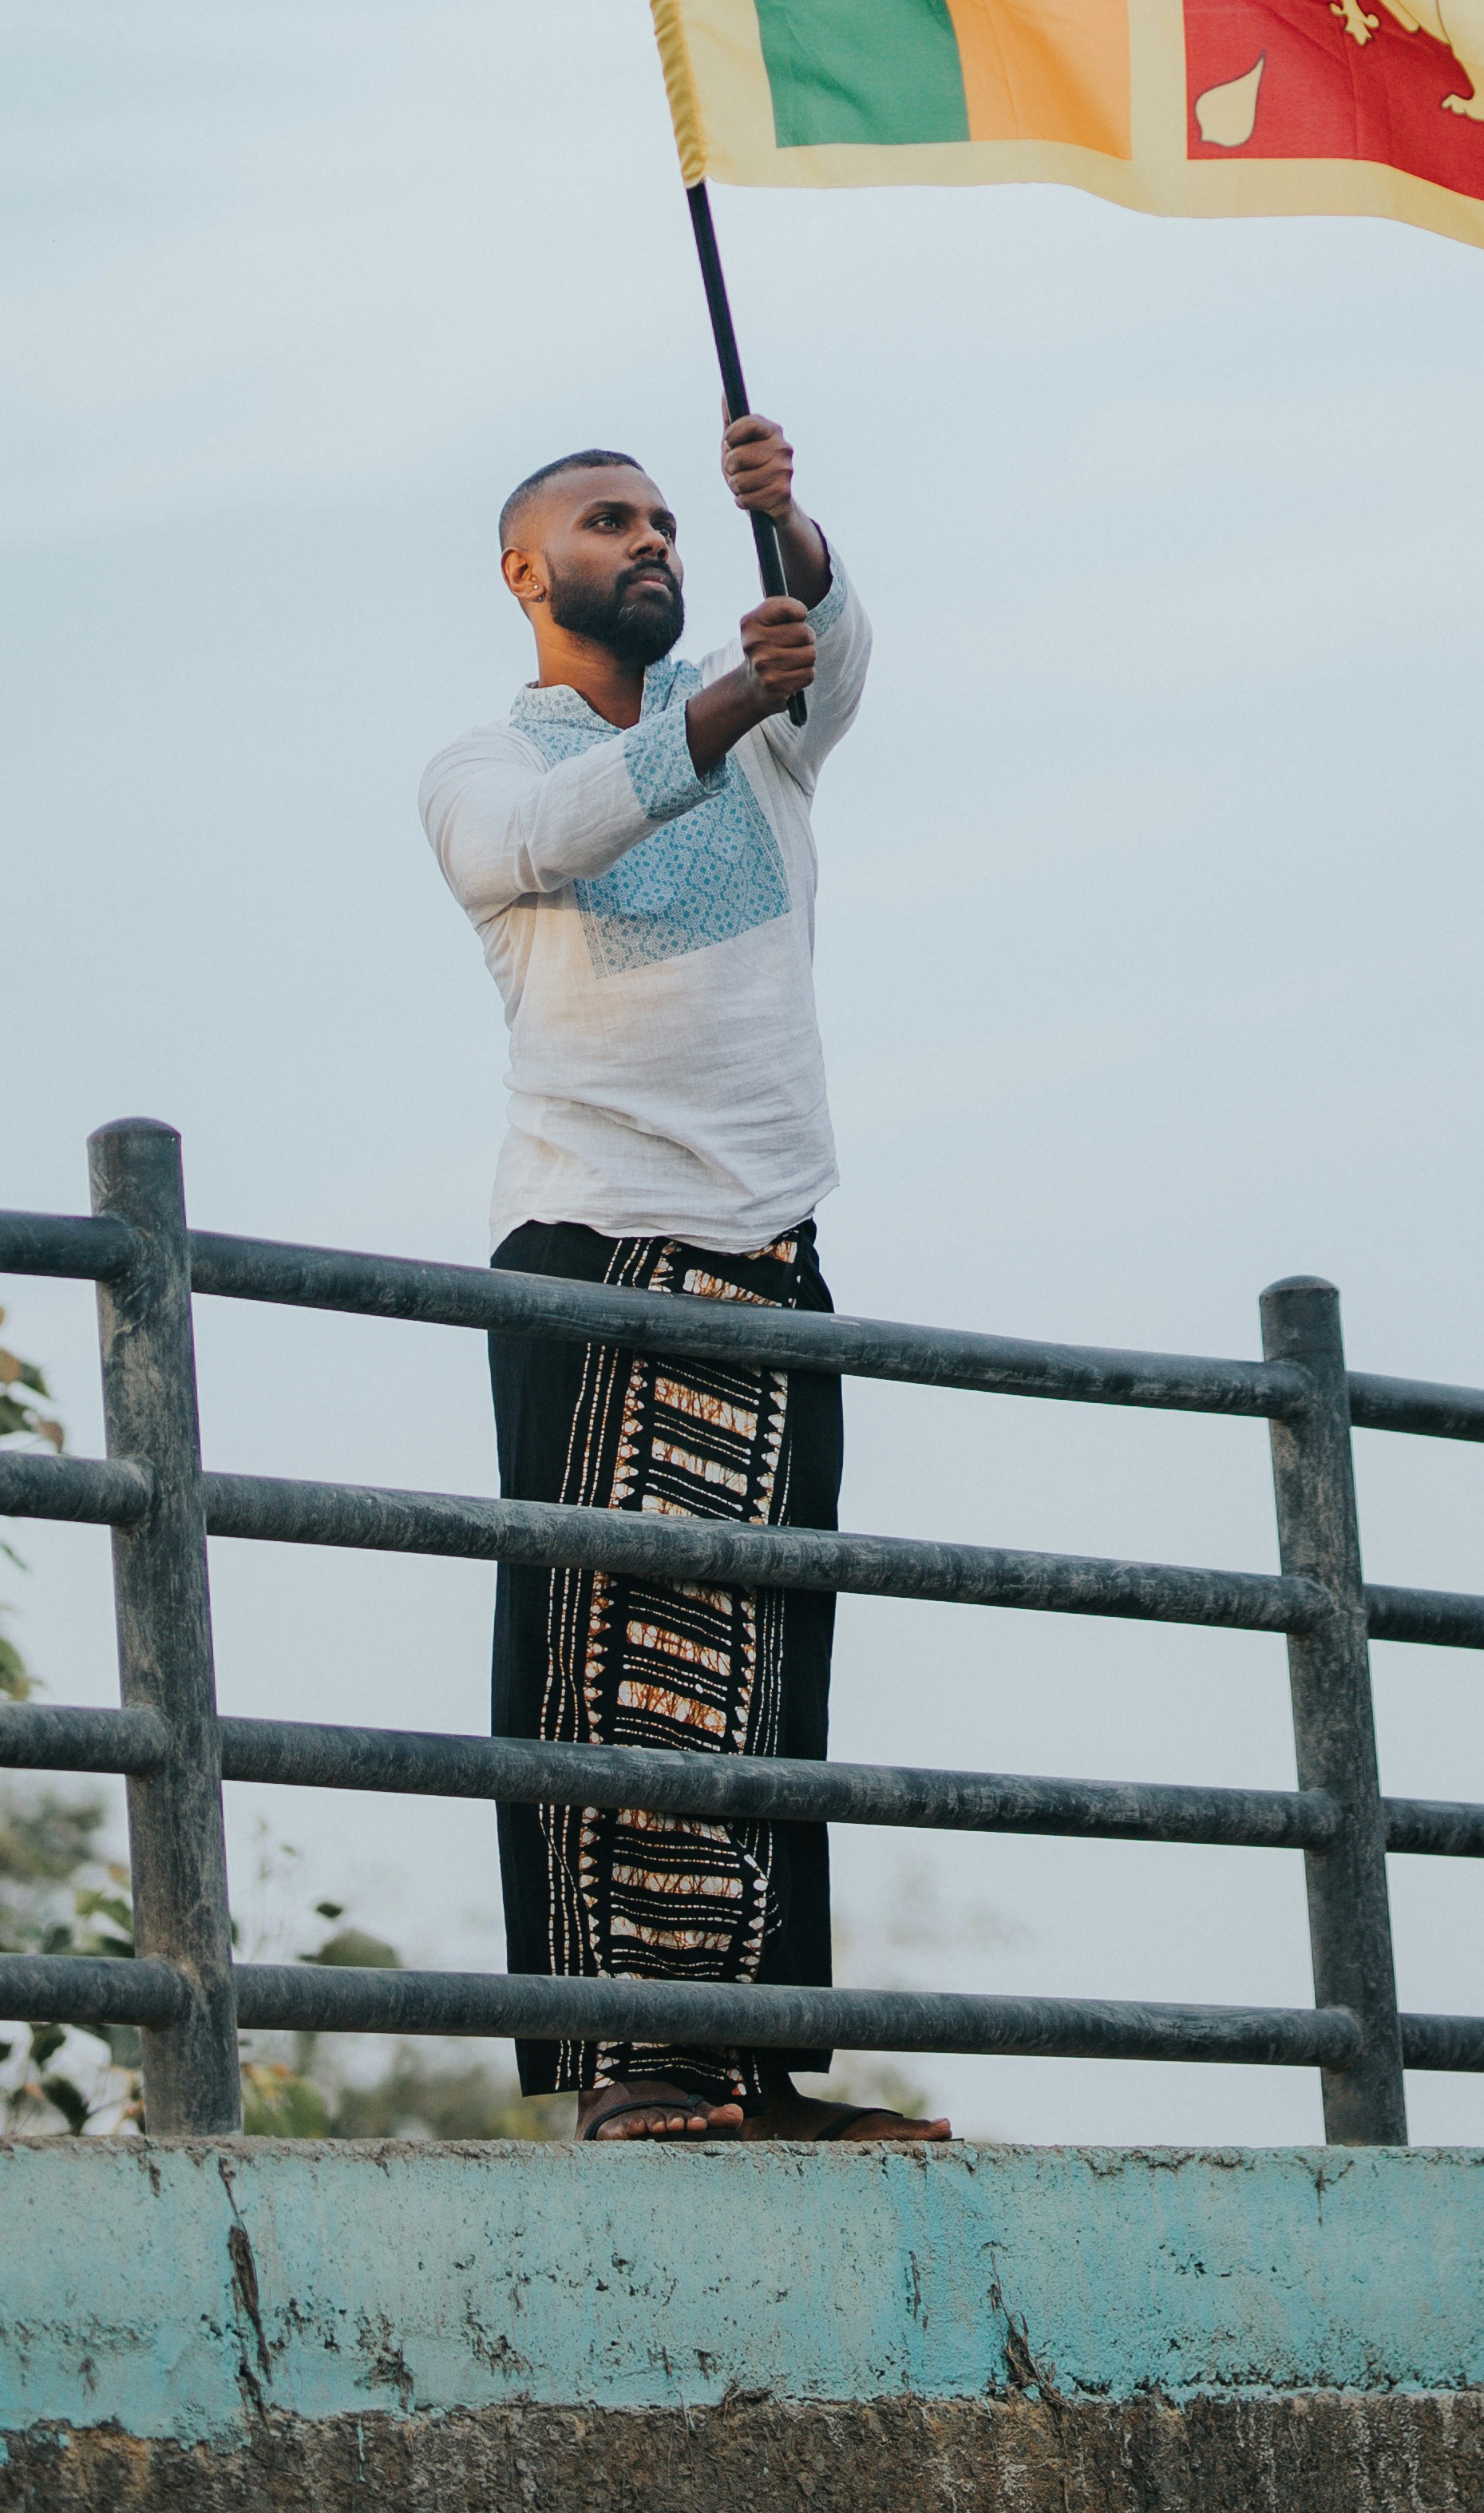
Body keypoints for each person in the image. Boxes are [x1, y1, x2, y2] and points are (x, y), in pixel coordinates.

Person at [420, 408, 950, 2150]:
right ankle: (630, 2061)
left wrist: (785, 531)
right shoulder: (484, 768)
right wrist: (721, 701)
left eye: (661, 520)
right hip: (595, 1238)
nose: (648, 541)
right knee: (605, 1655)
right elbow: (548, 842)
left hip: (771, 1245)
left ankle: (757, 2060)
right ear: (526, 573)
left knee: (761, 1663)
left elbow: (835, 642)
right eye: (605, 521)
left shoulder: (773, 734)